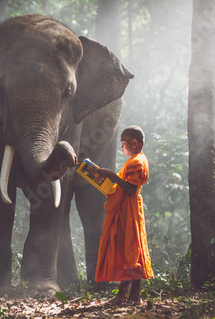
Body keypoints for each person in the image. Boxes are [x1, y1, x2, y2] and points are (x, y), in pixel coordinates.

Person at [95, 125, 153, 306]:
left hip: (130, 211)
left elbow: (131, 188)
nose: (122, 148)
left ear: (135, 143)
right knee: (127, 251)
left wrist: (111, 175)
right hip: (125, 210)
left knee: (131, 250)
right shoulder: (134, 159)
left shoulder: (138, 161)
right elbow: (124, 187)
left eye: (123, 143)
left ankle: (132, 296)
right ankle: (125, 295)